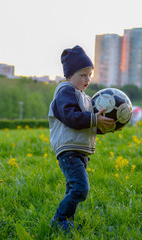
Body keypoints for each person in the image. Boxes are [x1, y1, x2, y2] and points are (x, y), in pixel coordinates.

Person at [48, 45, 115, 232]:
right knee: (80, 189)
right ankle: (59, 219)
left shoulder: (84, 97)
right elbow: (72, 117)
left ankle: (66, 223)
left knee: (73, 189)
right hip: (68, 150)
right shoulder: (65, 92)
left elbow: (87, 124)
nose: (87, 79)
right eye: (82, 75)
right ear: (69, 76)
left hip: (79, 151)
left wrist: (102, 125)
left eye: (89, 74)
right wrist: (94, 119)